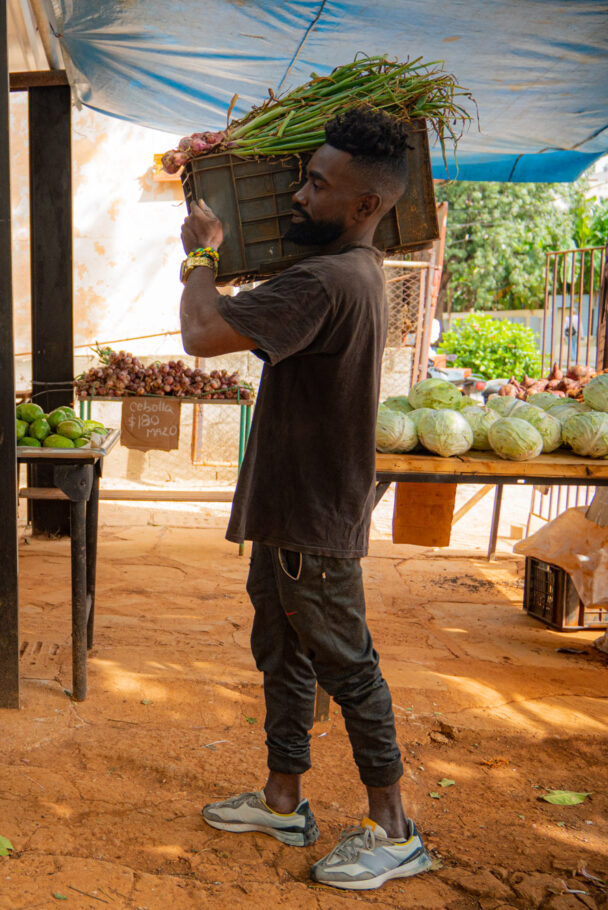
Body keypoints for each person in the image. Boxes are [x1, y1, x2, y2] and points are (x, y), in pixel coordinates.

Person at [176, 107, 432, 890]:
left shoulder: (324, 280)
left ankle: (394, 831)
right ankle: (284, 798)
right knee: (283, 655)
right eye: (302, 177)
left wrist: (201, 256)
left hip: (312, 521)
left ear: (365, 207)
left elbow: (201, 333)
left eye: (318, 186)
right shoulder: (356, 271)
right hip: (297, 511)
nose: (298, 195)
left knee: (349, 669)